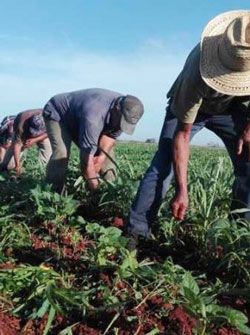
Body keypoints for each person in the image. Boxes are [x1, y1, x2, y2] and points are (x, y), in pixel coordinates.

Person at [128, 10, 250, 245]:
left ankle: (239, 236)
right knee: (163, 166)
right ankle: (136, 233)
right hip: (196, 105)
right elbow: (182, 135)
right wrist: (181, 190)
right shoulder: (197, 72)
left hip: (232, 107)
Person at [43, 88, 144, 193]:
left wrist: (101, 158)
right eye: (122, 121)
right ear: (117, 109)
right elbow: (87, 160)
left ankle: (110, 193)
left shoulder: (128, 110)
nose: (121, 125)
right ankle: (52, 194)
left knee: (107, 157)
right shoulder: (94, 116)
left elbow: (110, 137)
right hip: (59, 115)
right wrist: (94, 187)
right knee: (61, 154)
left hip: (81, 117)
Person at [1, 109, 52, 175]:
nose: (34, 135)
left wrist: (35, 140)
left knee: (48, 152)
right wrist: (17, 166)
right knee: (9, 166)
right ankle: (5, 168)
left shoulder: (50, 119)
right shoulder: (21, 125)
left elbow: (50, 132)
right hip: (24, 131)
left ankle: (39, 171)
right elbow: (17, 145)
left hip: (44, 134)